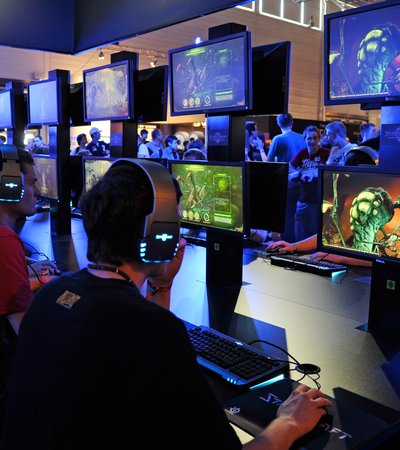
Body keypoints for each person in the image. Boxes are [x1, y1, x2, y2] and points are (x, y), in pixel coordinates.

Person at [1, 159, 332, 450]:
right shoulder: (152, 331)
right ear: (157, 231)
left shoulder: (52, 294)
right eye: (174, 221)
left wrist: (163, 283)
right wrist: (288, 422)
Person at [0, 148, 56, 426]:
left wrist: (35, 281)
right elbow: (30, 333)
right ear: (9, 185)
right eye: (32, 182)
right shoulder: (5, 241)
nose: (37, 190)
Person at [267, 114, 306, 243]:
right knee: (298, 215)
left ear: (278, 124)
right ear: (292, 122)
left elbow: (269, 162)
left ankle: (287, 243)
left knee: (287, 215)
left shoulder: (278, 139)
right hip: (302, 182)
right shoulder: (302, 137)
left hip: (286, 183)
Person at [289, 126, 330, 241]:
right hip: (303, 198)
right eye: (309, 138)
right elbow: (290, 167)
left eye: (315, 138)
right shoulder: (302, 153)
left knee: (315, 232)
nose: (312, 141)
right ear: (305, 139)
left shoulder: (326, 153)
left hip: (320, 199)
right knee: (299, 229)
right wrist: (299, 174)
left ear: (319, 138)